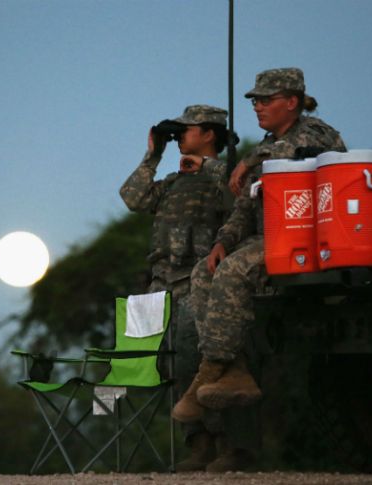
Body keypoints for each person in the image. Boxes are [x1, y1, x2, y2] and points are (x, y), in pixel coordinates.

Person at [171, 68, 347, 469]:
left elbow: (289, 156)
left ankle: (210, 373)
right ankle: (231, 369)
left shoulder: (317, 134)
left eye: (266, 99)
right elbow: (245, 208)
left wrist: (248, 160)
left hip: (304, 239)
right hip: (266, 239)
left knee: (233, 273)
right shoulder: (267, 147)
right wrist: (222, 242)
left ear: (293, 101)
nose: (257, 106)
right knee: (206, 271)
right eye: (254, 100)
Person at [119, 105, 237, 472]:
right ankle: (198, 444)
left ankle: (229, 446)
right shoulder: (172, 182)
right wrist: (153, 155)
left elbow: (244, 191)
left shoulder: (227, 176)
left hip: (199, 283)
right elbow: (133, 197)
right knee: (174, 363)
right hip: (163, 283)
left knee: (205, 362)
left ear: (210, 134)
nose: (182, 135)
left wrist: (209, 168)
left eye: (189, 129)